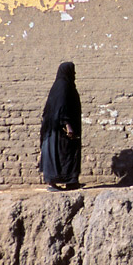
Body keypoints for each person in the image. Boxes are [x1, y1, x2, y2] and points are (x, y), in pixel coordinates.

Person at [39, 62, 82, 191]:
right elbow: (61, 108)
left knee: (65, 155)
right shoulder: (64, 87)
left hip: (55, 131)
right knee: (64, 155)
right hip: (62, 131)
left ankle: (70, 182)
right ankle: (56, 182)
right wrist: (68, 126)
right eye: (72, 71)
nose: (74, 74)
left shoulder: (60, 86)